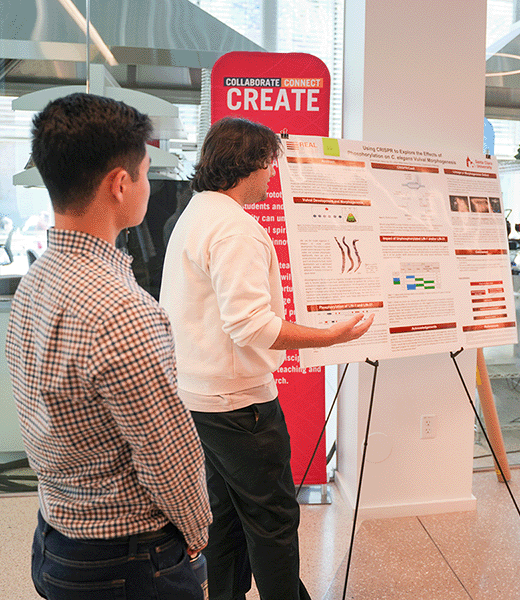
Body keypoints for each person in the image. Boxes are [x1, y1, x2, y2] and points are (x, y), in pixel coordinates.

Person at [5, 92, 212, 599]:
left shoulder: (35, 281)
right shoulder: (124, 311)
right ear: (120, 184)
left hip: (57, 535)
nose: (148, 184)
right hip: (129, 559)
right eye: (144, 172)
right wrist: (197, 532)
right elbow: (168, 456)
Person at [160, 117, 374, 600]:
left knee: (229, 518)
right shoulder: (236, 230)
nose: (272, 176)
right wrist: (330, 337)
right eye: (269, 165)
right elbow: (251, 324)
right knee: (274, 522)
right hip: (240, 406)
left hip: (201, 398)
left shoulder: (195, 214)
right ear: (249, 165)